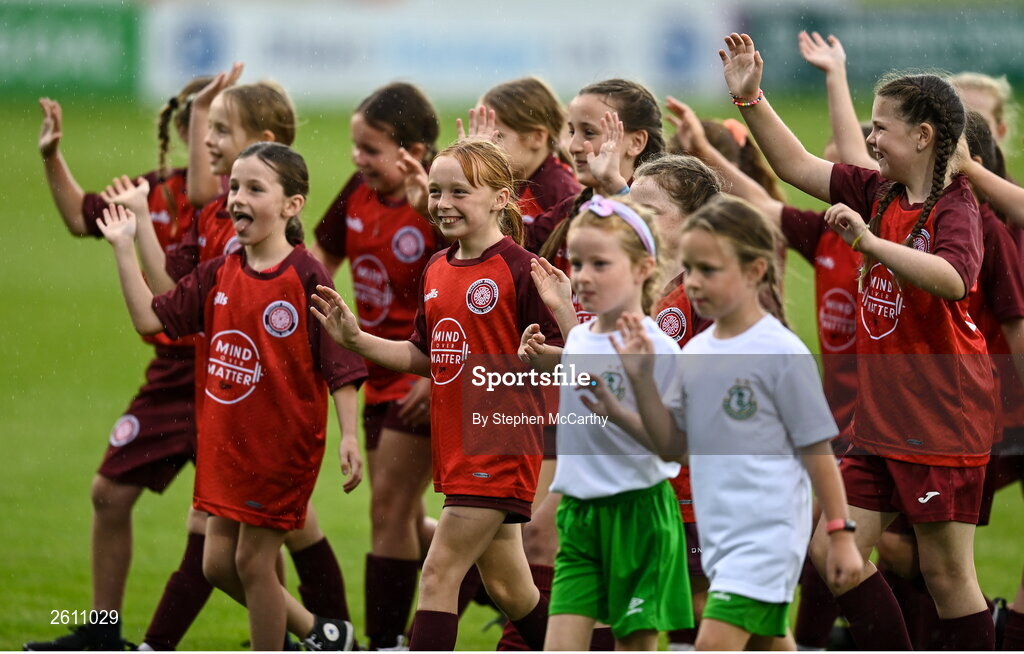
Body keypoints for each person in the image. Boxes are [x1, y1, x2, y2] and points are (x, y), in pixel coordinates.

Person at [721, 32, 997, 649]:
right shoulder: (879, 190)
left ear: (923, 136)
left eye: (882, 129)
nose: (870, 139)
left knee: (947, 575)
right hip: (882, 419)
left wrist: (870, 245)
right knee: (832, 552)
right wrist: (751, 100)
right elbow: (794, 167)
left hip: (943, 419)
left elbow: (954, 281)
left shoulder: (956, 207)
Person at [97, 142, 367, 651]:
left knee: (251, 562)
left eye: (255, 189)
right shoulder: (220, 271)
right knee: (216, 564)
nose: (237, 198)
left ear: (292, 205)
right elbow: (151, 319)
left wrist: (349, 434)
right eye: (236, 187)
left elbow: (342, 364)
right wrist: (122, 246)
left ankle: (299, 641)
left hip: (280, 448)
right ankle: (324, 635)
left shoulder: (306, 276)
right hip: (225, 446)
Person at [311, 139, 561, 651]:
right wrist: (356, 340)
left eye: (459, 192)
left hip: (500, 448)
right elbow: (425, 357)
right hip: (458, 449)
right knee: (512, 589)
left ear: (499, 198)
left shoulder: (523, 269)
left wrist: (540, 356)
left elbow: (569, 356)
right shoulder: (438, 268)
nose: (443, 203)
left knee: (437, 574)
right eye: (436, 191)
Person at [594, 195, 862, 650]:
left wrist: (839, 534)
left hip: (766, 540)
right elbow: (674, 447)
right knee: (768, 643)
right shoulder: (695, 354)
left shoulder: (780, 353)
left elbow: (818, 454)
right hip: (723, 542)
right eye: (690, 269)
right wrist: (633, 392)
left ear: (756, 270)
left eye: (709, 270)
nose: (693, 283)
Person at [26, 80, 210, 652]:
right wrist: (53, 157)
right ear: (182, 132)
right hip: (171, 378)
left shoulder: (241, 199)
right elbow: (82, 219)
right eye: (202, 124)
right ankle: (102, 634)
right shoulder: (150, 191)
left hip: (227, 376)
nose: (207, 138)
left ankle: (299, 634)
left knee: (241, 531)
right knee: (108, 493)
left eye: (219, 126)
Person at [520, 195, 694, 650]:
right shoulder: (581, 337)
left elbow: (674, 447)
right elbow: (585, 371)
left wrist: (629, 399)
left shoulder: (657, 348)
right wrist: (541, 358)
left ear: (642, 268)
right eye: (578, 262)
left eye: (600, 263)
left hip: (640, 516)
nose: (583, 276)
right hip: (579, 517)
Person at [310, 81, 442, 651]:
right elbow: (321, 256)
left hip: (422, 375)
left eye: (370, 149)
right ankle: (493, 581)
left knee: (389, 507)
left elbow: (477, 288)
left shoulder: (444, 196)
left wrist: (440, 376)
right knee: (406, 517)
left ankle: (384, 640)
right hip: (374, 369)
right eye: (355, 147)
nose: (357, 160)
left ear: (412, 150)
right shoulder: (359, 191)